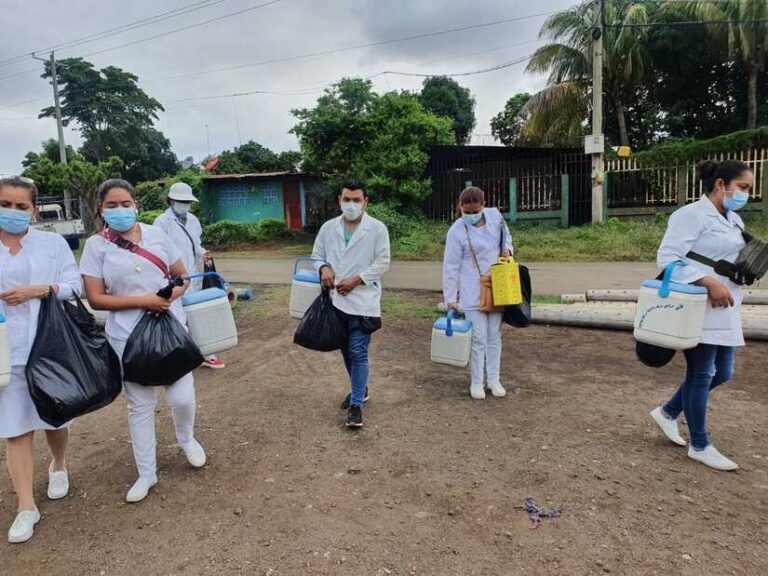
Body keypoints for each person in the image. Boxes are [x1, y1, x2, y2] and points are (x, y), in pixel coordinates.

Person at [80, 179, 207, 503]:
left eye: (126, 204)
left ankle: (186, 438)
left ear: (136, 205)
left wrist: (169, 294)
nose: (120, 210)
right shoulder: (96, 246)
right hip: (127, 336)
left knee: (181, 396)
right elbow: (95, 298)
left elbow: (183, 276)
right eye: (112, 205)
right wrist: (144, 301)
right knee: (140, 404)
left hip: (170, 328)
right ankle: (146, 472)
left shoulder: (156, 234)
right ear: (101, 210)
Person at [650, 160, 754, 471]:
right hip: (699, 303)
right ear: (721, 185)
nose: (746, 194)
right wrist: (707, 281)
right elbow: (668, 258)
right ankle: (700, 443)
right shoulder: (690, 215)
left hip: (726, 304)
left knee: (724, 372)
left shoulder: (734, 219)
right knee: (702, 372)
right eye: (743, 187)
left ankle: (668, 412)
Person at [0, 176, 81, 543]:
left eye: (21, 206)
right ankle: (26, 506)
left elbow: (76, 285)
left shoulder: (52, 244)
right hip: (6, 352)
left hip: (48, 346)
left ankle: (59, 463)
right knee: (15, 428)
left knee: (54, 415)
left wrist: (41, 290)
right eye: (5, 204)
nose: (13, 212)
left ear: (34, 210)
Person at [311, 180, 390, 429]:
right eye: (347, 199)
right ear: (339, 200)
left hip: (363, 300)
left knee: (358, 351)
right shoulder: (328, 228)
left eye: (357, 200)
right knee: (345, 349)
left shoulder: (377, 229)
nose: (352, 204)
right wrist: (323, 268)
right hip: (337, 300)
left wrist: (358, 280)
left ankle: (356, 405)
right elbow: (317, 255)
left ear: (366, 202)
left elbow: (383, 262)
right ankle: (361, 388)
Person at [442, 186, 513, 400]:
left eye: (475, 211)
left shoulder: (496, 217)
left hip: (497, 283)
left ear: (483, 205)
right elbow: (451, 265)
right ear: (460, 207)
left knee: (495, 336)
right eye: (467, 212)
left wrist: (507, 250)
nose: (472, 216)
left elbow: (506, 238)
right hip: (472, 288)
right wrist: (451, 297)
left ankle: (494, 379)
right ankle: (476, 382)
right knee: (479, 338)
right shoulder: (456, 230)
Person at [153, 182, 224, 370]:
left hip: (192, 274)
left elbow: (196, 244)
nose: (184, 204)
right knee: (177, 316)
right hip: (173, 278)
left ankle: (206, 353)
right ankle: (180, 355)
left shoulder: (193, 220)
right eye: (181, 201)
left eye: (187, 201)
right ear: (171, 200)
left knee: (196, 313)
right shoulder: (161, 222)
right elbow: (158, 250)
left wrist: (204, 253)